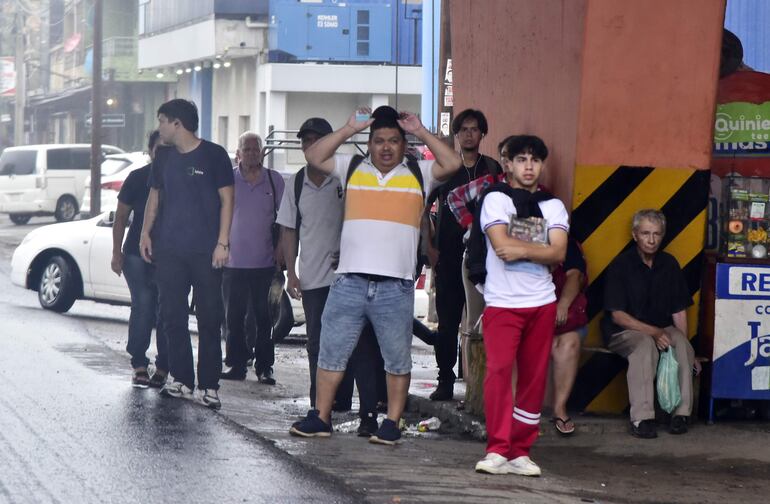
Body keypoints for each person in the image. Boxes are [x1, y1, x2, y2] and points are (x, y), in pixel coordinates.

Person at [289, 105, 462, 445]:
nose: (386, 147)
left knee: (397, 359)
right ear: (369, 144)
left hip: (395, 286)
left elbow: (454, 163)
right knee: (331, 353)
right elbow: (314, 155)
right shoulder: (351, 167)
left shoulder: (420, 172)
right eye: (379, 140)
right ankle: (321, 417)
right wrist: (348, 129)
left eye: (394, 141)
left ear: (404, 145)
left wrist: (422, 131)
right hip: (349, 281)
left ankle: (392, 423)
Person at [474, 135, 568, 476]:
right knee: (498, 373)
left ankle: (520, 451)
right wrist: (540, 242)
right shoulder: (495, 199)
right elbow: (501, 248)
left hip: (541, 303)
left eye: (535, 160)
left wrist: (520, 246)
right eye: (522, 159)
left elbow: (559, 253)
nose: (529, 166)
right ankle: (497, 448)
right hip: (502, 303)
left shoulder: (553, 205)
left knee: (533, 378)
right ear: (509, 164)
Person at [139, 99, 234, 410]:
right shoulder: (163, 157)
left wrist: (223, 243)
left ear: (177, 123)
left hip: (206, 252)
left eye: (163, 121)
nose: (160, 128)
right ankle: (181, 379)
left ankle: (209, 386)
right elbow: (154, 196)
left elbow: (227, 200)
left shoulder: (214, 154)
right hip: (169, 250)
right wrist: (144, 233)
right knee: (171, 315)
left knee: (209, 318)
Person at [602, 209, 700, 438]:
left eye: (656, 234)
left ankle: (680, 414)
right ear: (635, 234)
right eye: (645, 233)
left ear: (663, 235)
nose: (651, 239)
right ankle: (642, 418)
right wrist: (654, 332)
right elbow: (617, 316)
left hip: (659, 328)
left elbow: (678, 311)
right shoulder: (621, 265)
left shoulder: (669, 264)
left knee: (682, 345)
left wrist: (687, 348)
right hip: (624, 331)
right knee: (644, 345)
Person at [427, 109, 501, 401]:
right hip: (447, 254)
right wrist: (428, 247)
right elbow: (423, 207)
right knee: (447, 321)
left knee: (481, 321)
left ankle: (477, 383)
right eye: (464, 130)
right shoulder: (445, 168)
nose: (469, 134)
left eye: (475, 129)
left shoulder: (493, 168)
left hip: (485, 258)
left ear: (483, 134)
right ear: (456, 135)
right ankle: (445, 379)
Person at [220, 131, 285, 384]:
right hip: (233, 263)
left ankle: (265, 367)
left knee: (264, 318)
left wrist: (281, 251)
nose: (250, 153)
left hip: (265, 263)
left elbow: (286, 220)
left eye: (255, 149)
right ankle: (236, 365)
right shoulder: (229, 180)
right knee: (233, 318)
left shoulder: (274, 180)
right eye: (246, 149)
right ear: (238, 153)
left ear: (262, 152)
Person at [111, 130, 168, 388]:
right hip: (135, 254)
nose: (163, 153)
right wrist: (116, 252)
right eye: (159, 149)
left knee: (166, 309)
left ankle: (165, 364)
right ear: (150, 151)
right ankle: (139, 363)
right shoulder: (137, 178)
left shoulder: (178, 179)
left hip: (169, 257)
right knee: (144, 304)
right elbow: (120, 217)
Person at [548, 236, 588, 436]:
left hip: (565, 321)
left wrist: (562, 305)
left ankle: (559, 408)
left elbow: (575, 275)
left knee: (567, 343)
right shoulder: (520, 233)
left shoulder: (567, 243)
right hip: (530, 311)